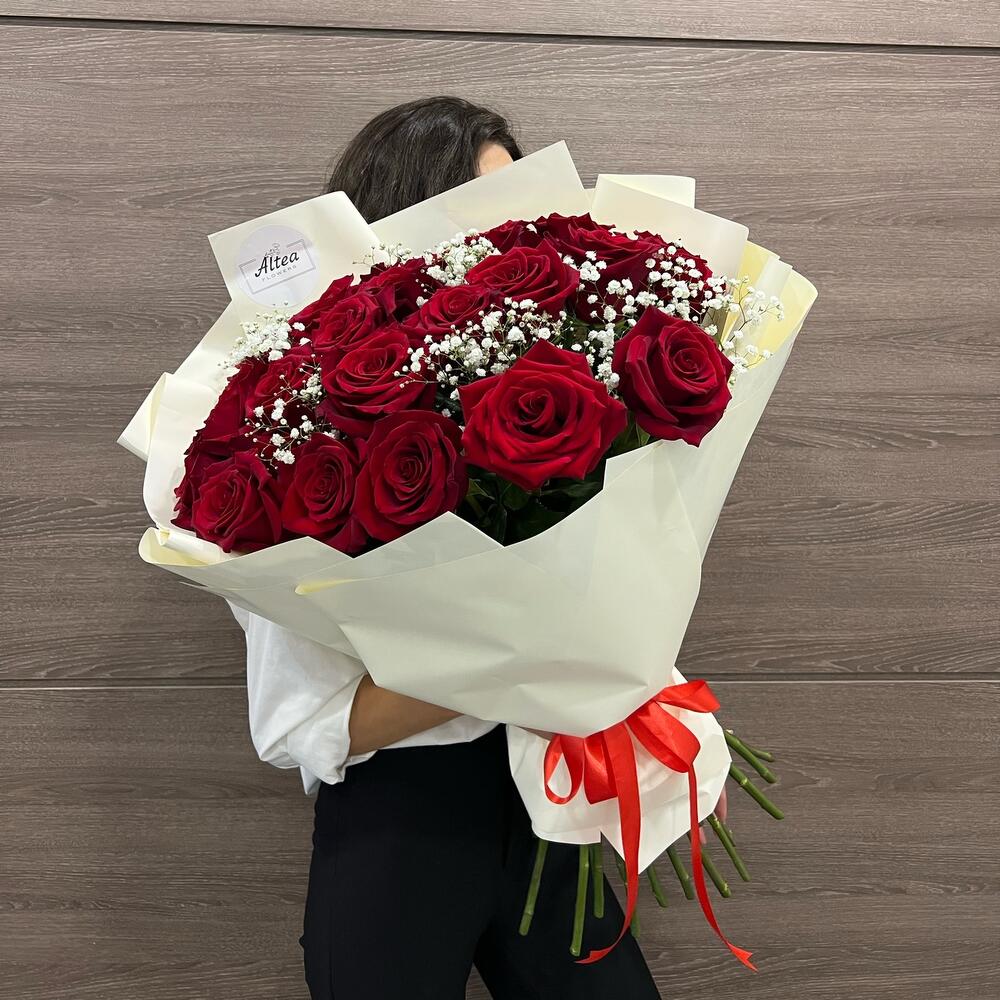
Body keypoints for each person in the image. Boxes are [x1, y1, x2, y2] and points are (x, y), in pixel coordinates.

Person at [228, 96, 715, 1000]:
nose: (509, 235)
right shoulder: (300, 442)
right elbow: (302, 727)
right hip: (399, 833)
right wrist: (520, 648)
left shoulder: (547, 375)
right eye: (483, 208)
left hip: (545, 802)